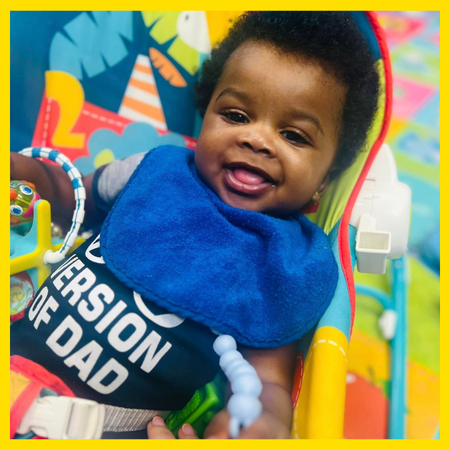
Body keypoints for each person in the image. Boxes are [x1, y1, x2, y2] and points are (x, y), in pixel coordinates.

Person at [10, 11, 379, 439]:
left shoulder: (283, 264)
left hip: (96, 430)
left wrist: (260, 421)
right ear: (206, 114)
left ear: (324, 183)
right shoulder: (154, 170)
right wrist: (31, 175)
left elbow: (270, 383)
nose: (256, 139)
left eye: (294, 136)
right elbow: (74, 197)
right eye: (237, 115)